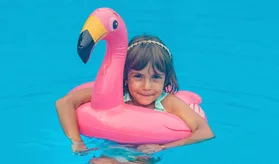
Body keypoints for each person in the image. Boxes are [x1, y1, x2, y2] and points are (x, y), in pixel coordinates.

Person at [55, 34, 215, 163]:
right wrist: (77, 142)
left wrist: (164, 147)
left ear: (166, 78)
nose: (147, 86)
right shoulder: (112, 95)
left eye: (156, 77)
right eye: (138, 76)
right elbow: (64, 103)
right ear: (125, 76)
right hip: (111, 149)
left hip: (144, 157)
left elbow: (205, 131)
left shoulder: (168, 102)